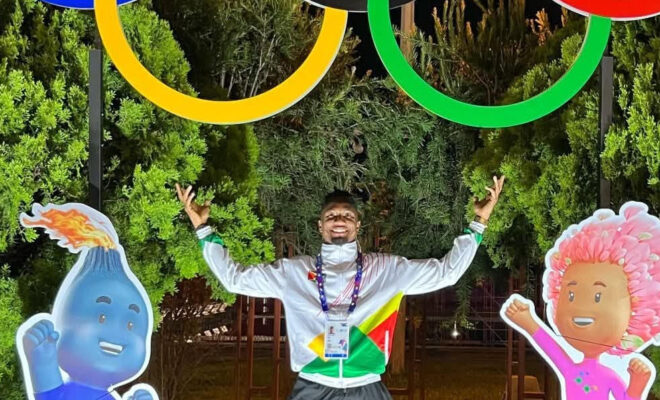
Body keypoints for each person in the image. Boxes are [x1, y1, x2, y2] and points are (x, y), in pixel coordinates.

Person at [176, 176, 504, 399]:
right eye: (332, 215)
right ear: (320, 225)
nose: (339, 220)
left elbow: (446, 273)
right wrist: (203, 229)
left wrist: (478, 223)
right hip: (312, 387)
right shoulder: (294, 272)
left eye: (347, 215)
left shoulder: (386, 270)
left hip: (368, 387)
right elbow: (234, 278)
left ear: (358, 225)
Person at [502, 201, 658, 400]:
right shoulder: (571, 369)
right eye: (571, 295)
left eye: (598, 296)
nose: (582, 308)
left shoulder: (608, 376)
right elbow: (550, 347)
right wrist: (527, 321)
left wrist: (638, 383)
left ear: (636, 308)